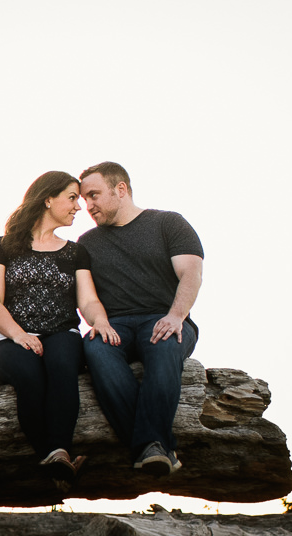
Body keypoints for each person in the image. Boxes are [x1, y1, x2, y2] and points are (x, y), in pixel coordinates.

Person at [0, 171, 120, 482]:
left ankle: (59, 450)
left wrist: (100, 321)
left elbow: (87, 301)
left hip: (62, 332)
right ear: (48, 199)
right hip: (8, 337)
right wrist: (19, 335)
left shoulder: (75, 252)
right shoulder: (3, 246)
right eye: (72, 198)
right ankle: (51, 456)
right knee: (30, 373)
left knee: (61, 365)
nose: (78, 207)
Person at [77, 162, 204, 477]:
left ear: (120, 189)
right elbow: (88, 297)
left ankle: (145, 445)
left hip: (164, 318)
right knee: (94, 349)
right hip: (114, 323)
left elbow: (191, 273)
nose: (87, 205)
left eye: (94, 195)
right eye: (83, 199)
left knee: (163, 346)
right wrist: (99, 323)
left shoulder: (168, 223)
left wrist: (176, 316)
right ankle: (154, 447)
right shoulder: (87, 243)